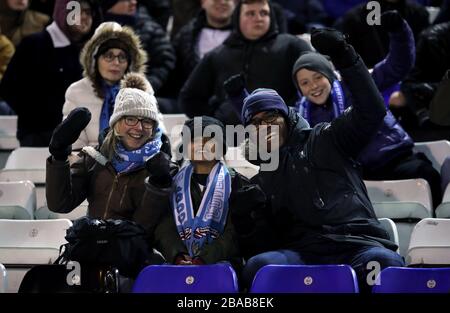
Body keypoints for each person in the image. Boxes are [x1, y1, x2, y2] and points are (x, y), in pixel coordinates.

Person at [233, 28, 405, 292]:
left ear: (286, 119)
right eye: (255, 123)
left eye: (271, 118)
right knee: (259, 266)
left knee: (383, 264)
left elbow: (372, 109)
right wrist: (247, 221)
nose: (264, 127)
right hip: (302, 253)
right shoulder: (261, 178)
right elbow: (264, 242)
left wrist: (345, 57)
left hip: (355, 245)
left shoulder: (328, 137)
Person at [291, 13, 442, 210]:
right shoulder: (302, 114)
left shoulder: (358, 82)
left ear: (329, 75)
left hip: (396, 160)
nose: (313, 86)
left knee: (427, 175)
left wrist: (398, 31)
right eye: (304, 82)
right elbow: (271, 117)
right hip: (357, 176)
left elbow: (398, 65)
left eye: (317, 77)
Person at [46, 73, 171, 257]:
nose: (138, 128)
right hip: (95, 252)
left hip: (135, 258)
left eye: (146, 121)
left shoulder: (163, 168)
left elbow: (143, 227)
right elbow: (60, 204)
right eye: (130, 119)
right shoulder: (94, 158)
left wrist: (159, 185)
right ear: (116, 123)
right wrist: (59, 157)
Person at [146, 116, 266, 272]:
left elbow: (234, 233)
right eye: (194, 139)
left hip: (222, 262)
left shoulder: (237, 183)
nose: (201, 144)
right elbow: (165, 227)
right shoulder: (173, 181)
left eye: (209, 139)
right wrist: (178, 255)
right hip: (178, 262)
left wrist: (204, 258)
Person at [179, 0, 311, 126]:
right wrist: (216, 120)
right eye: (250, 13)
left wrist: (291, 118)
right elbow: (189, 98)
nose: (258, 18)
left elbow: (315, 82)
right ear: (237, 17)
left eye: (264, 13)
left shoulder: (292, 46)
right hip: (232, 139)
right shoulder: (217, 55)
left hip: (280, 136)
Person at [0, 0, 101, 146]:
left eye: (88, 13)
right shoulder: (34, 44)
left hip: (82, 140)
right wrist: (38, 118)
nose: (84, 17)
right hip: (38, 138)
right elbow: (8, 88)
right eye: (77, 12)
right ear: (62, 12)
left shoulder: (92, 51)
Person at [63, 21, 148, 150]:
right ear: (95, 59)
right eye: (108, 56)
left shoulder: (142, 88)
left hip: (136, 165)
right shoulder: (77, 91)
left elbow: (156, 135)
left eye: (122, 57)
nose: (116, 62)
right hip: (89, 165)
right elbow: (73, 145)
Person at [101, 0, 176, 95]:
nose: (133, 2)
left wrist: (143, 87)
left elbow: (164, 62)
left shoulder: (148, 28)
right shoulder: (91, 27)